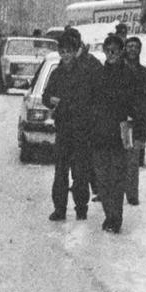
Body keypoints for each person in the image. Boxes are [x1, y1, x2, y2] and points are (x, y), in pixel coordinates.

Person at [44, 33, 99, 222]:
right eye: (62, 52)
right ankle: (59, 208)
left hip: (81, 129)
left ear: (75, 52)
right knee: (60, 171)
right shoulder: (57, 73)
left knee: (80, 172)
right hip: (63, 129)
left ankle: (81, 208)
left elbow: (90, 99)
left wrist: (71, 105)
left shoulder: (85, 72)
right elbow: (46, 95)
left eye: (69, 52)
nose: (65, 55)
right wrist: (51, 100)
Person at [90, 34, 140, 233]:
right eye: (107, 50)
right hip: (100, 133)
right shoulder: (99, 74)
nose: (111, 54)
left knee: (117, 178)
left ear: (121, 52)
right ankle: (108, 213)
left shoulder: (129, 75)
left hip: (120, 133)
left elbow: (137, 106)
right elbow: (91, 102)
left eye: (115, 51)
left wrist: (138, 134)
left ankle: (115, 217)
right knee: (101, 179)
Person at [123, 36, 146, 206]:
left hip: (136, 122)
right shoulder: (117, 71)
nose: (132, 49)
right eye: (130, 46)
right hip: (119, 121)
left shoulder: (145, 74)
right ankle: (114, 192)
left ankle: (132, 194)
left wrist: (138, 110)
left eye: (136, 46)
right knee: (117, 159)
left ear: (140, 50)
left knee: (133, 160)